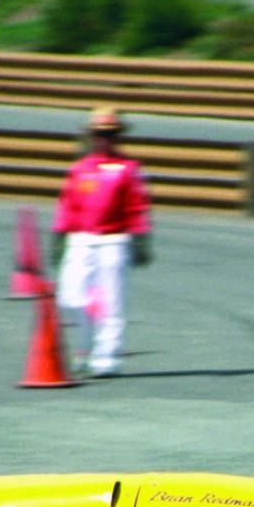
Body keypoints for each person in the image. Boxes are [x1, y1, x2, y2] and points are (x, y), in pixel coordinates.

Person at [51, 106, 151, 378]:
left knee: (113, 303)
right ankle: (86, 346)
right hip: (80, 240)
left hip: (114, 241)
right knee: (69, 296)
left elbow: (137, 206)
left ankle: (106, 358)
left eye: (110, 134)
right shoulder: (80, 169)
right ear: (90, 136)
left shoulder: (129, 169)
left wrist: (142, 238)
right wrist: (58, 237)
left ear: (118, 136)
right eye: (99, 134)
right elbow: (67, 205)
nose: (105, 139)